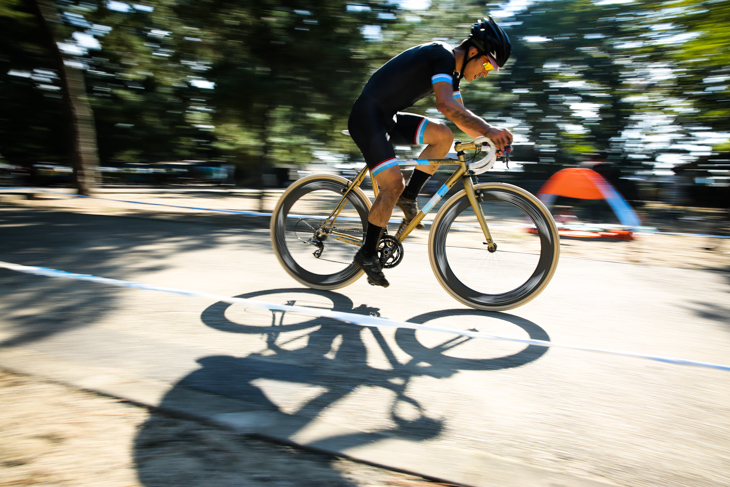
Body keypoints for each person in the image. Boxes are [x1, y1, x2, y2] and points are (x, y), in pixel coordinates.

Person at [348, 16, 514, 287]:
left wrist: (491, 140)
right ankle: (367, 254)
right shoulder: (443, 55)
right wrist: (490, 130)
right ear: (473, 51)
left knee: (444, 136)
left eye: (491, 68)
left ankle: (408, 198)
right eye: (487, 63)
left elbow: (460, 118)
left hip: (386, 116)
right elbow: (446, 105)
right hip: (367, 116)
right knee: (392, 185)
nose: (486, 71)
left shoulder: (453, 75)